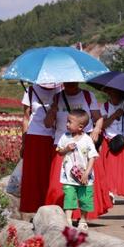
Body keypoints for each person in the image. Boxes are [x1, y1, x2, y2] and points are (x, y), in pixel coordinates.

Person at [44, 82, 112, 220]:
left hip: (82, 147)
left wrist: (97, 130)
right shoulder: (57, 98)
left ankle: (82, 216)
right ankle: (61, 216)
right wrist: (52, 111)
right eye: (68, 82)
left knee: (83, 182)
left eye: (74, 82)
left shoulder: (87, 96)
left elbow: (98, 118)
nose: (71, 84)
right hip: (62, 145)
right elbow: (47, 124)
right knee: (60, 185)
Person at [19, 83, 60, 213]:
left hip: (56, 136)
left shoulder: (61, 89)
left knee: (52, 174)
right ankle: (36, 210)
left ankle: (54, 207)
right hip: (35, 136)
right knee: (35, 175)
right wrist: (24, 143)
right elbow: (26, 118)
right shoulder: (31, 90)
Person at [56, 109, 99, 231]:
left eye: (70, 122)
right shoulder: (65, 137)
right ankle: (68, 220)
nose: (67, 124)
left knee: (85, 198)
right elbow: (59, 152)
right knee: (69, 196)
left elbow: (92, 157)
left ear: (80, 127)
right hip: (68, 176)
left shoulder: (87, 139)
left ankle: (83, 219)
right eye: (67, 121)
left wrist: (87, 173)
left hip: (85, 177)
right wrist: (66, 149)